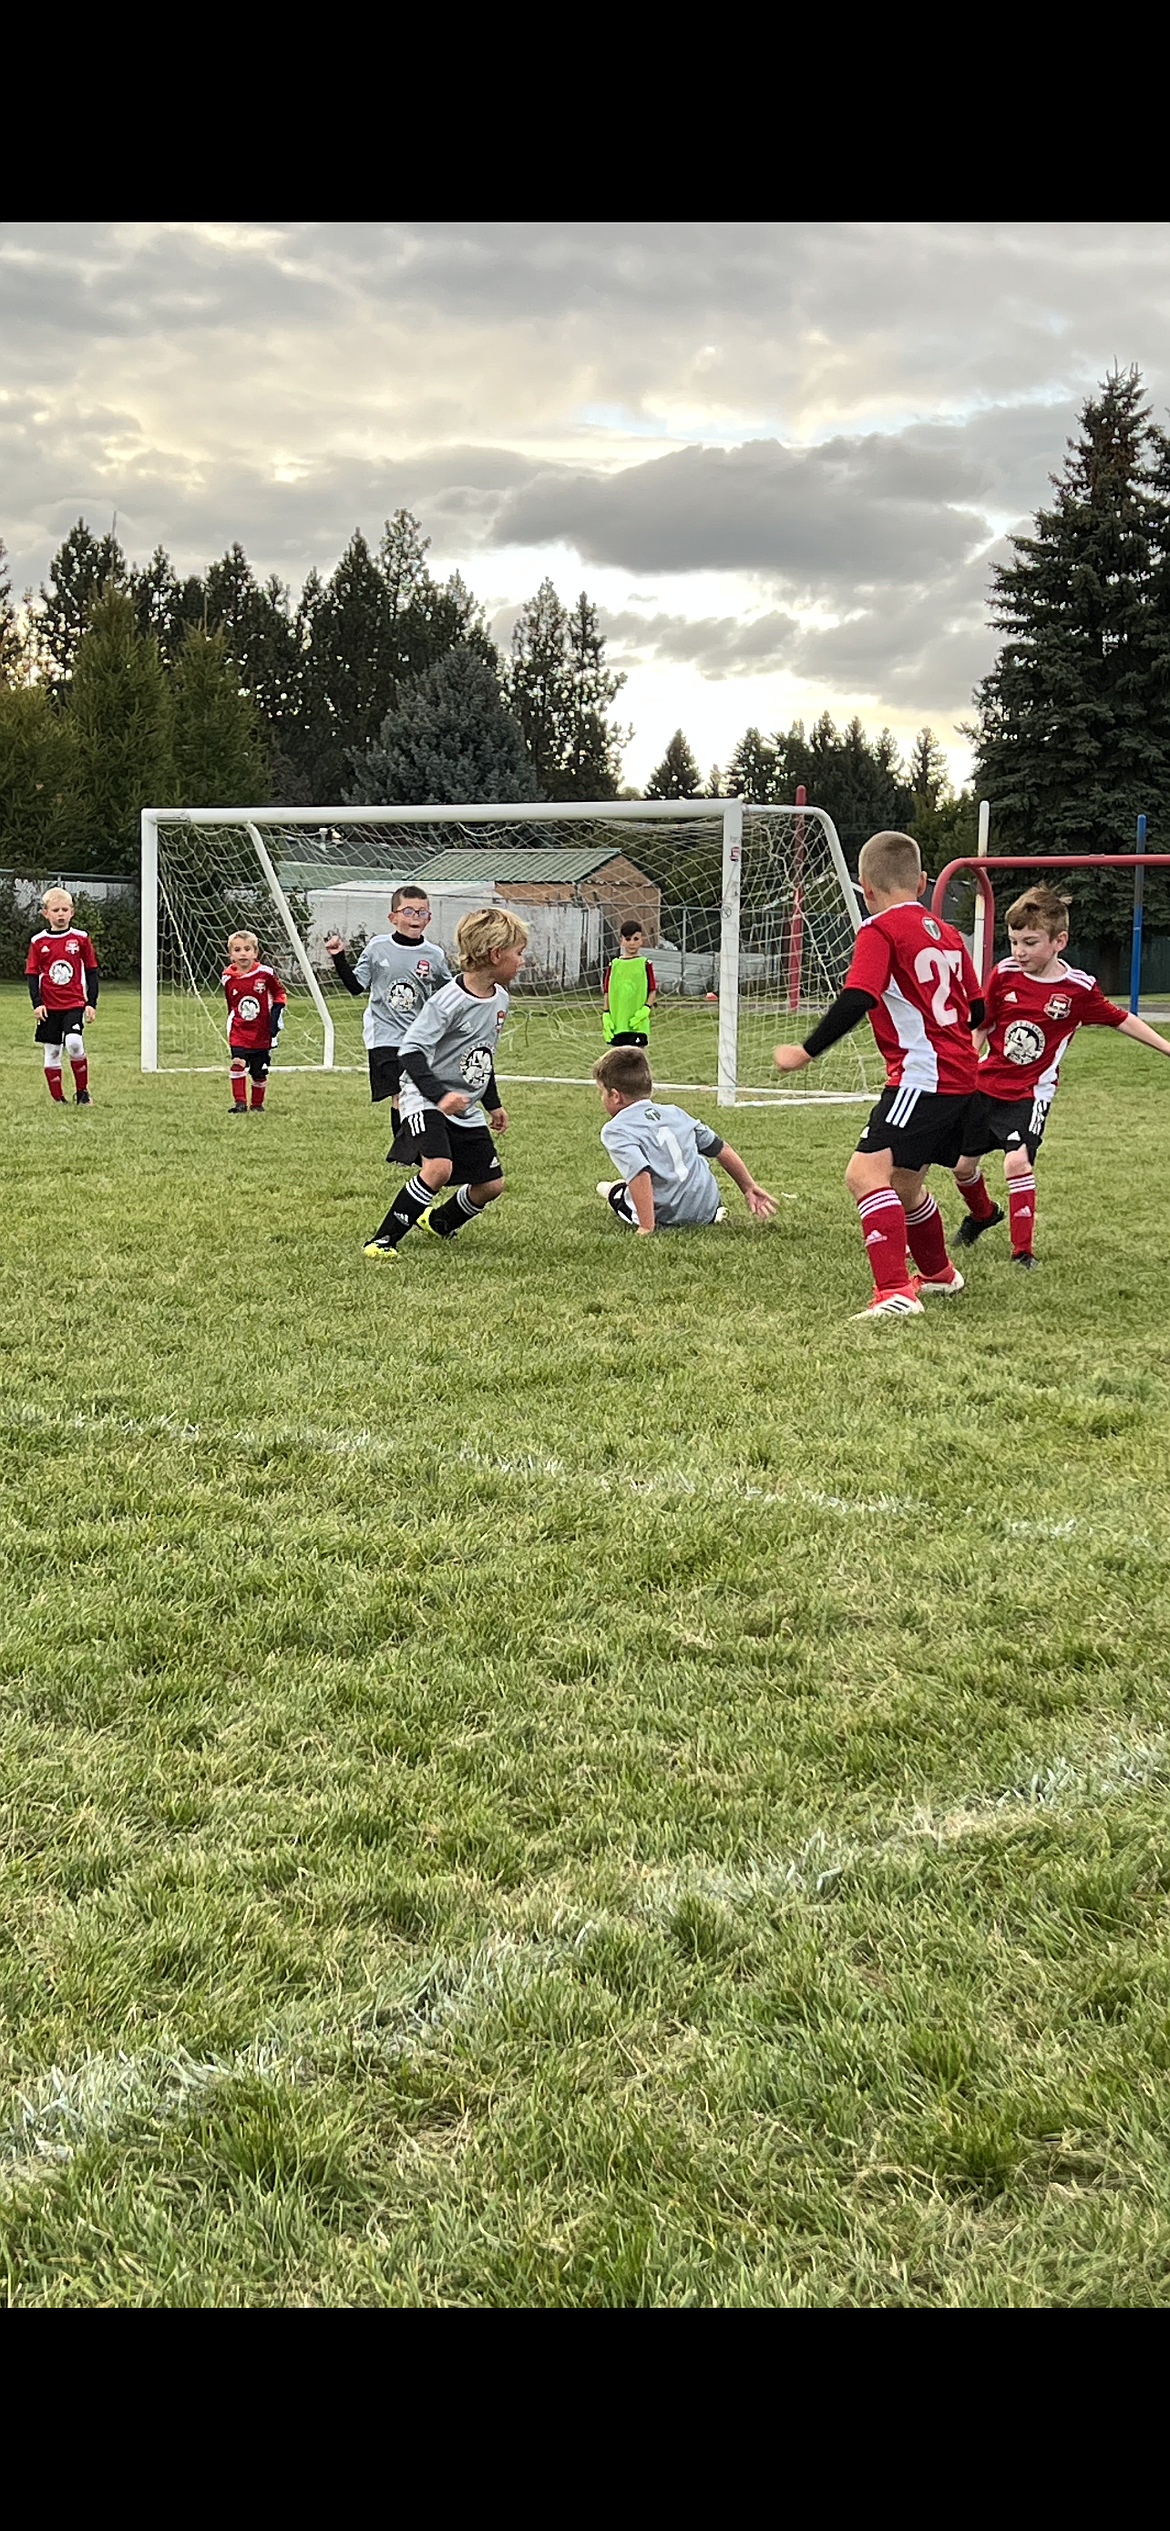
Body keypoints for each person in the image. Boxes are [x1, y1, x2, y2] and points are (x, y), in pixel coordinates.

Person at [775, 829, 982, 1320]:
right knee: (906, 1181)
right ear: (925, 881)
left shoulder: (879, 930)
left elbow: (857, 997)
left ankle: (893, 1292)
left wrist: (806, 1051)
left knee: (864, 1174)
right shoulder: (948, 934)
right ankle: (938, 1275)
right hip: (960, 1078)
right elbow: (976, 1010)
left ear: (864, 888)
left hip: (921, 1078)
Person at [952, 882, 1170, 1267]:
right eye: (1014, 941)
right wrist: (970, 1054)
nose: (1019, 951)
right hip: (986, 1086)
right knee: (962, 1167)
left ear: (1059, 941)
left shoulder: (1078, 989)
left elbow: (1123, 1020)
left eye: (1030, 942)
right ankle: (984, 1214)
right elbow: (983, 1026)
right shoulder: (1003, 975)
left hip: (1029, 1093)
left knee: (1016, 1162)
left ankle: (1022, 1252)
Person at [363, 908, 528, 1259]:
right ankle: (382, 1242)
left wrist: (493, 1103)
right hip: (423, 1096)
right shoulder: (448, 1001)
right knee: (438, 1168)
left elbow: (482, 1055)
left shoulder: (499, 998)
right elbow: (410, 1052)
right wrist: (439, 1096)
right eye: (519, 953)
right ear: (496, 954)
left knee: (491, 1185)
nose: (522, 961)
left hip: (463, 1103)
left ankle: (439, 1222)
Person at [593, 1045, 777, 1232]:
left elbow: (640, 1173)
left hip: (666, 1215)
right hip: (707, 1208)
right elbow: (721, 1148)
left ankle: (611, 1189)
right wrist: (748, 1187)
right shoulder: (676, 1113)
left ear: (615, 1096)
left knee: (614, 1190)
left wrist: (646, 1227)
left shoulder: (616, 1129)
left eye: (602, 1092)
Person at [325, 886, 453, 1127]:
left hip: (419, 1037)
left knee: (417, 1095)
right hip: (384, 1036)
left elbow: (448, 994)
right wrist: (339, 957)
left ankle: (412, 1148)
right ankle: (405, 1153)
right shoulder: (377, 947)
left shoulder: (434, 955)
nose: (415, 916)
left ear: (429, 918)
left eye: (421, 912)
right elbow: (355, 986)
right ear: (392, 917)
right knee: (400, 1094)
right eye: (408, 911)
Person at [25, 887, 99, 1105]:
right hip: (49, 1005)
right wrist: (37, 1003)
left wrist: (91, 1002)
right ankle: (58, 1099)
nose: (60, 914)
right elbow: (32, 974)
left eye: (64, 909)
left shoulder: (81, 938)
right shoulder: (38, 941)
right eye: (55, 909)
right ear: (45, 913)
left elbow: (91, 971)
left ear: (72, 912)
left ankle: (83, 1093)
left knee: (74, 1042)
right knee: (53, 1050)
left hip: (74, 1002)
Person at [222, 931, 287, 1112]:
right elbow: (231, 1004)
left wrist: (275, 1016)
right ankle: (240, 1103)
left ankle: (257, 1104)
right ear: (231, 954)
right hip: (239, 1029)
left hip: (261, 1031)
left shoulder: (265, 974)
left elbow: (280, 994)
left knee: (259, 1072)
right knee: (238, 1061)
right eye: (237, 950)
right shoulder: (227, 978)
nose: (243, 953)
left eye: (247, 949)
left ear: (255, 953)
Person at [602, 920, 657, 1046]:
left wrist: (646, 1008)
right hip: (617, 1023)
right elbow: (607, 992)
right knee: (618, 1060)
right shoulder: (614, 965)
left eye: (636, 938)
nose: (632, 943)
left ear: (641, 940)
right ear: (621, 940)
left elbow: (652, 989)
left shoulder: (645, 964)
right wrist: (606, 1014)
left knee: (637, 1058)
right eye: (628, 939)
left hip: (637, 1024)